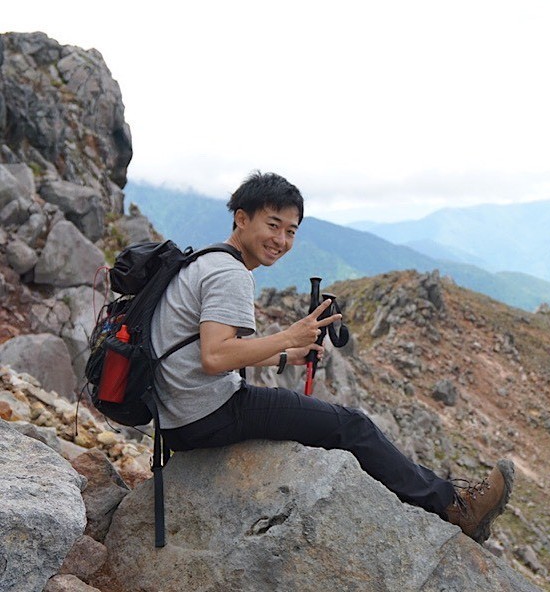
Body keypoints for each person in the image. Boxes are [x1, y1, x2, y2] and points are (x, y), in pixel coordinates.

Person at [150, 170, 514, 543]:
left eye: (290, 231)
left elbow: (207, 351)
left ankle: (449, 501)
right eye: (273, 225)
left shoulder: (208, 259)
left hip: (180, 413)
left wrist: (284, 356)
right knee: (352, 426)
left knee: (335, 421)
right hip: (207, 414)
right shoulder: (231, 274)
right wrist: (288, 336)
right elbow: (214, 356)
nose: (281, 240)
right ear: (241, 218)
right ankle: (458, 508)